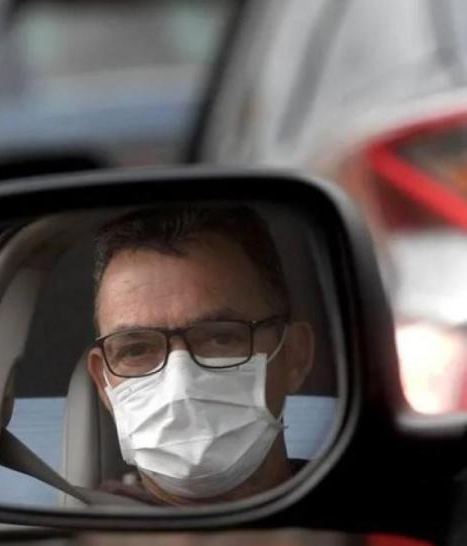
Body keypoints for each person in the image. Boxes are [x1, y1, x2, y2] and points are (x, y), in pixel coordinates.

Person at [86, 205, 315, 506]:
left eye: (220, 337)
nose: (180, 383)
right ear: (104, 384)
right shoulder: (78, 542)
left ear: (294, 357)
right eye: (137, 349)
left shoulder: (370, 522)